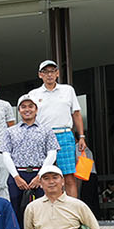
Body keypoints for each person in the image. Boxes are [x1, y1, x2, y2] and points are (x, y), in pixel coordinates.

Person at [4, 95, 60, 229]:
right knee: (15, 212)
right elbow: (6, 155)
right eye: (23, 107)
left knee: (46, 210)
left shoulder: (46, 130)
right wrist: (16, 176)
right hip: (17, 174)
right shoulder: (10, 131)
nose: (27, 109)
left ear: (36, 109)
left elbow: (52, 153)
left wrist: (40, 176)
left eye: (30, 106)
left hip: (41, 174)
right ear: (19, 110)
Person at [30, 60, 87, 197]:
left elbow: (77, 114)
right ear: (40, 75)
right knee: (43, 175)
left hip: (64, 134)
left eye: (52, 71)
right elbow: (29, 117)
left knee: (68, 176)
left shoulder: (68, 90)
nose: (49, 75)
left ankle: (73, 212)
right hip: (42, 135)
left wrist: (81, 137)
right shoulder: (33, 94)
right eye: (45, 72)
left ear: (57, 73)